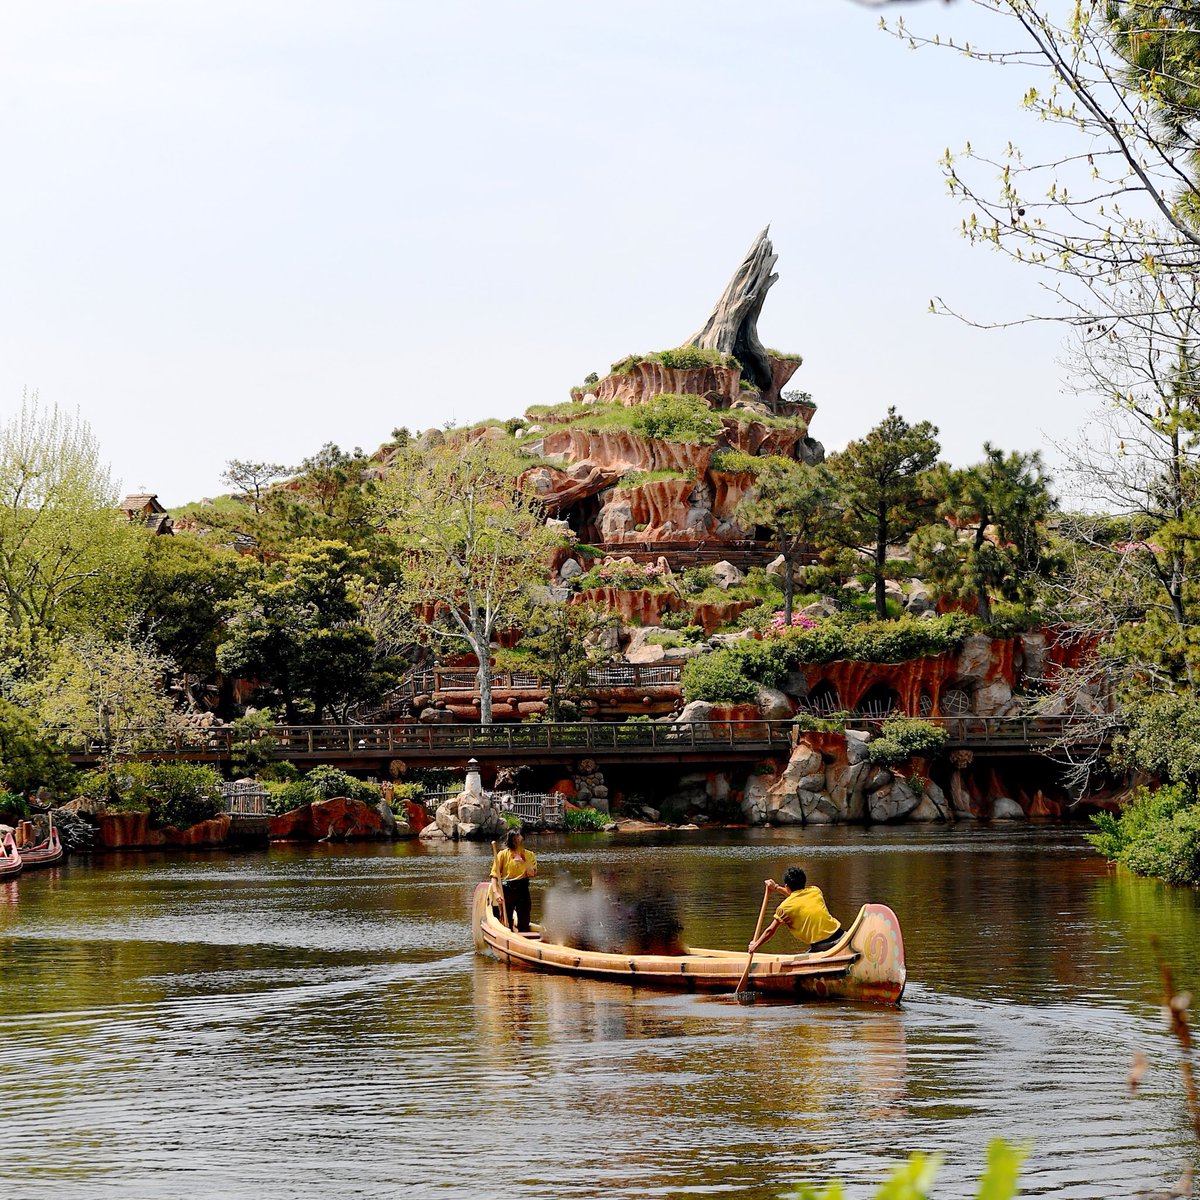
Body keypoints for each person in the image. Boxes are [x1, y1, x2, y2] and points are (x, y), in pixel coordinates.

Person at [748, 866, 843, 956]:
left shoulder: (784, 908)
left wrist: (755, 946)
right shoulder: (815, 891)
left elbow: (770, 930)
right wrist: (776, 887)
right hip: (840, 934)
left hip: (823, 945)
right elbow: (795, 896)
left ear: (786, 886)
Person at [491, 829, 538, 933]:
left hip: (523, 889)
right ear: (511, 840)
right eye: (515, 837)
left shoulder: (529, 855)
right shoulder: (502, 854)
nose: (518, 839)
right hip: (507, 890)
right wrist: (496, 893)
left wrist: (523, 861)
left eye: (519, 836)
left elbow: (532, 873)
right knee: (506, 920)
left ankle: (524, 939)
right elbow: (494, 875)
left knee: (524, 917)